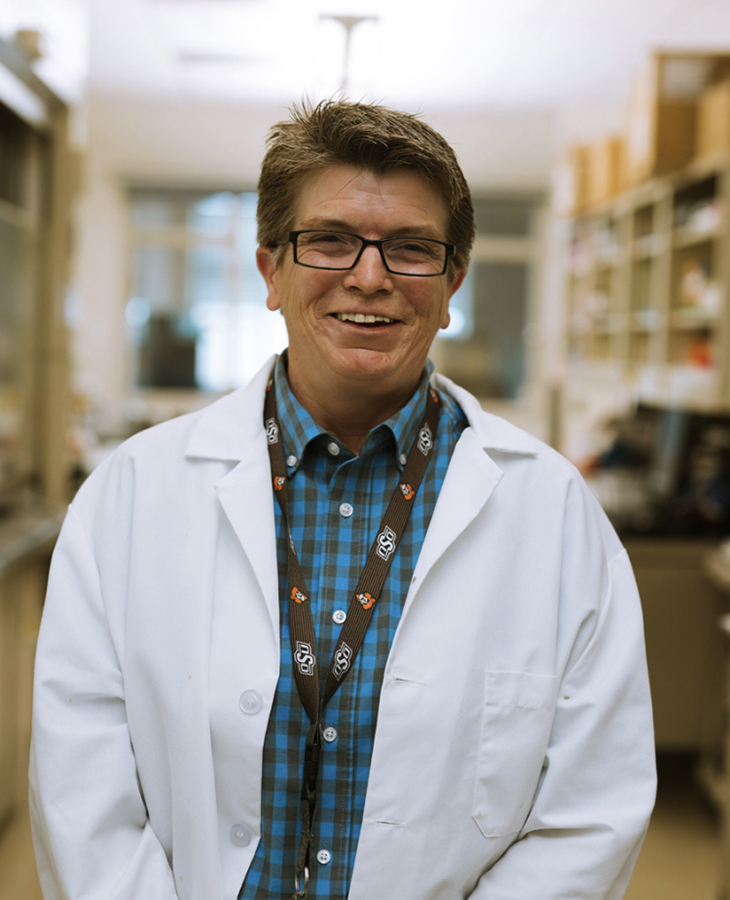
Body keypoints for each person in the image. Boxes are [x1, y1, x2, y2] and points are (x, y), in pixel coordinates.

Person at [30, 100, 656, 900]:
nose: (370, 277)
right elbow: (81, 782)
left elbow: (592, 810)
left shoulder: (556, 514)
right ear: (270, 272)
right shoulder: (132, 495)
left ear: (453, 284)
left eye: (412, 249)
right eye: (329, 240)